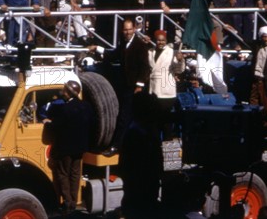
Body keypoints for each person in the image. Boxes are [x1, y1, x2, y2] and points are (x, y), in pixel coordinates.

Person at [89, 19, 150, 155]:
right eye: (125, 30)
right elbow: (115, 55)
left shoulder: (140, 45)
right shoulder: (124, 43)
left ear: (134, 29)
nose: (127, 32)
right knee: (123, 116)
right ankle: (122, 145)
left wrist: (139, 85)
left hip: (134, 87)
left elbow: (145, 67)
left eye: (129, 29)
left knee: (125, 117)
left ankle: (116, 146)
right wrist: (98, 48)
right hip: (125, 86)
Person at [43, 80, 93, 215]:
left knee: (63, 174)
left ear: (69, 92)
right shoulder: (86, 106)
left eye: (64, 90)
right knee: (75, 174)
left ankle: (67, 202)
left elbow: (57, 126)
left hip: (65, 148)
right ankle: (74, 201)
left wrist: (47, 123)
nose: (62, 93)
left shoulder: (64, 109)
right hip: (80, 147)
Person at [147, 29, 185, 140]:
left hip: (166, 93)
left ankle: (169, 153)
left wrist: (180, 60)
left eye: (163, 40)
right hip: (153, 92)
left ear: (166, 40)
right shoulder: (150, 51)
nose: (160, 42)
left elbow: (179, 70)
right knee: (154, 124)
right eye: (158, 40)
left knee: (167, 125)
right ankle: (155, 151)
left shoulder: (172, 52)